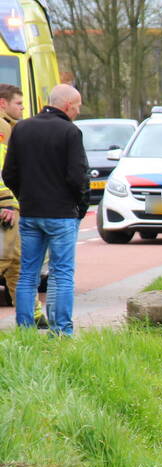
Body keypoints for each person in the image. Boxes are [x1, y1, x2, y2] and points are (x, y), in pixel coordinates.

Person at [2, 84, 88, 335]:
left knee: (28, 272)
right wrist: (80, 206)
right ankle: (61, 331)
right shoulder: (70, 132)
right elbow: (77, 177)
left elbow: (9, 173)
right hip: (61, 215)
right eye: (78, 106)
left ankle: (25, 330)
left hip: (30, 213)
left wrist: (24, 198)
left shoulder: (22, 128)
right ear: (67, 105)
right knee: (61, 274)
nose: (78, 111)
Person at [0, 83, 23, 306]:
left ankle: (31, 316)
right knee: (6, 258)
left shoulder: (11, 126)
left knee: (16, 261)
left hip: (9, 204)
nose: (23, 108)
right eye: (18, 103)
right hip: (5, 207)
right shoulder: (2, 128)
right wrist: (7, 202)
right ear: (2, 103)